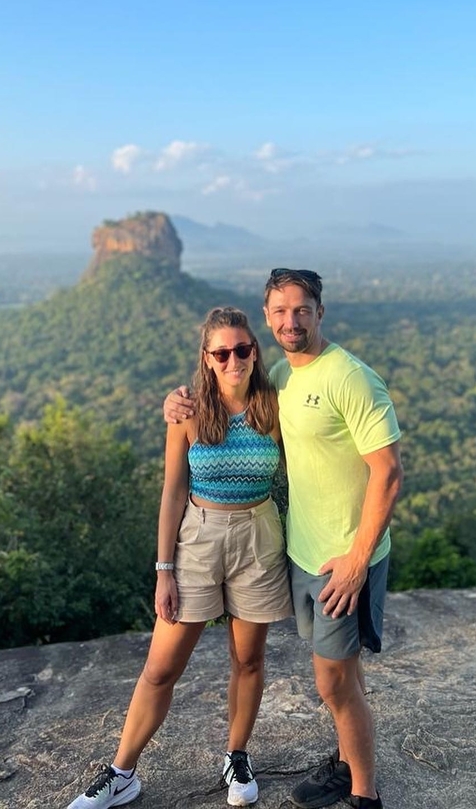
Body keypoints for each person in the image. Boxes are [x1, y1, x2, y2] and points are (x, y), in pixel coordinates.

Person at [164, 269, 403, 809]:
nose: (290, 321)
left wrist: (358, 559)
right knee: (343, 677)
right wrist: (175, 403)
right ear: (267, 318)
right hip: (300, 551)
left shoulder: (351, 377)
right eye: (279, 312)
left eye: (301, 310)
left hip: (343, 559)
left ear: (320, 312)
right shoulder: (278, 377)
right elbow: (222, 396)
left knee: (333, 684)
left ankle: (364, 795)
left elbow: (388, 473)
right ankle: (346, 765)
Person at [67, 306, 292, 809]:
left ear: (256, 350)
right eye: (222, 352)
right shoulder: (188, 411)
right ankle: (122, 771)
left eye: (243, 349)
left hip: (259, 535)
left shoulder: (274, 405)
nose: (234, 359)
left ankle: (236, 755)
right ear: (207, 358)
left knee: (248, 659)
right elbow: (172, 492)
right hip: (198, 538)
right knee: (161, 668)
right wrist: (163, 570)